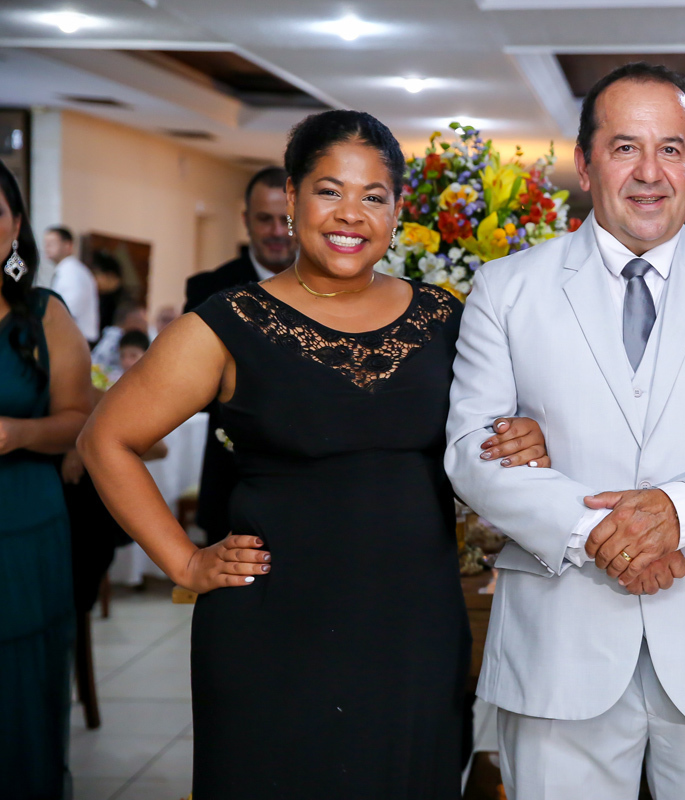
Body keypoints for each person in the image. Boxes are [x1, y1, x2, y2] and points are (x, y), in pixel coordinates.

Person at [80, 109, 549, 799]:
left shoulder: (446, 319)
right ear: (293, 198)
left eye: (373, 196)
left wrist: (524, 439)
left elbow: (489, 439)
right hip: (274, 631)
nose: (350, 213)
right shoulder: (230, 323)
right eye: (330, 190)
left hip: (413, 628)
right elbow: (104, 439)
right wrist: (183, 560)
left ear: (396, 211)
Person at [444, 62, 685, 800]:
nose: (650, 173)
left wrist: (679, 512)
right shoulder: (507, 288)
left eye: (671, 149)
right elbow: (473, 452)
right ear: (585, 163)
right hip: (561, 639)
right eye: (625, 147)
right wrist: (603, 533)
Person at [0, 161, 93, 799]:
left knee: (18, 691)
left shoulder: (42, 314)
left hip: (22, 522)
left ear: (16, 227)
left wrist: (16, 433)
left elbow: (81, 422)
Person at [185, 166, 298, 545]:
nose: (277, 231)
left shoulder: (335, 285)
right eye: (265, 219)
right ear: (246, 220)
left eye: (285, 219)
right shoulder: (209, 289)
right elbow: (193, 387)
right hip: (232, 483)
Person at [44, 226, 100, 344]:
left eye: (52, 243)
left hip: (76, 340)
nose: (47, 247)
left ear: (67, 246)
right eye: (46, 243)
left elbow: (68, 309)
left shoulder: (72, 272)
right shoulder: (67, 270)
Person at [91, 301, 148, 379]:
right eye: (122, 356)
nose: (127, 361)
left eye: (133, 356)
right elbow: (98, 363)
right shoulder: (112, 338)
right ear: (128, 320)